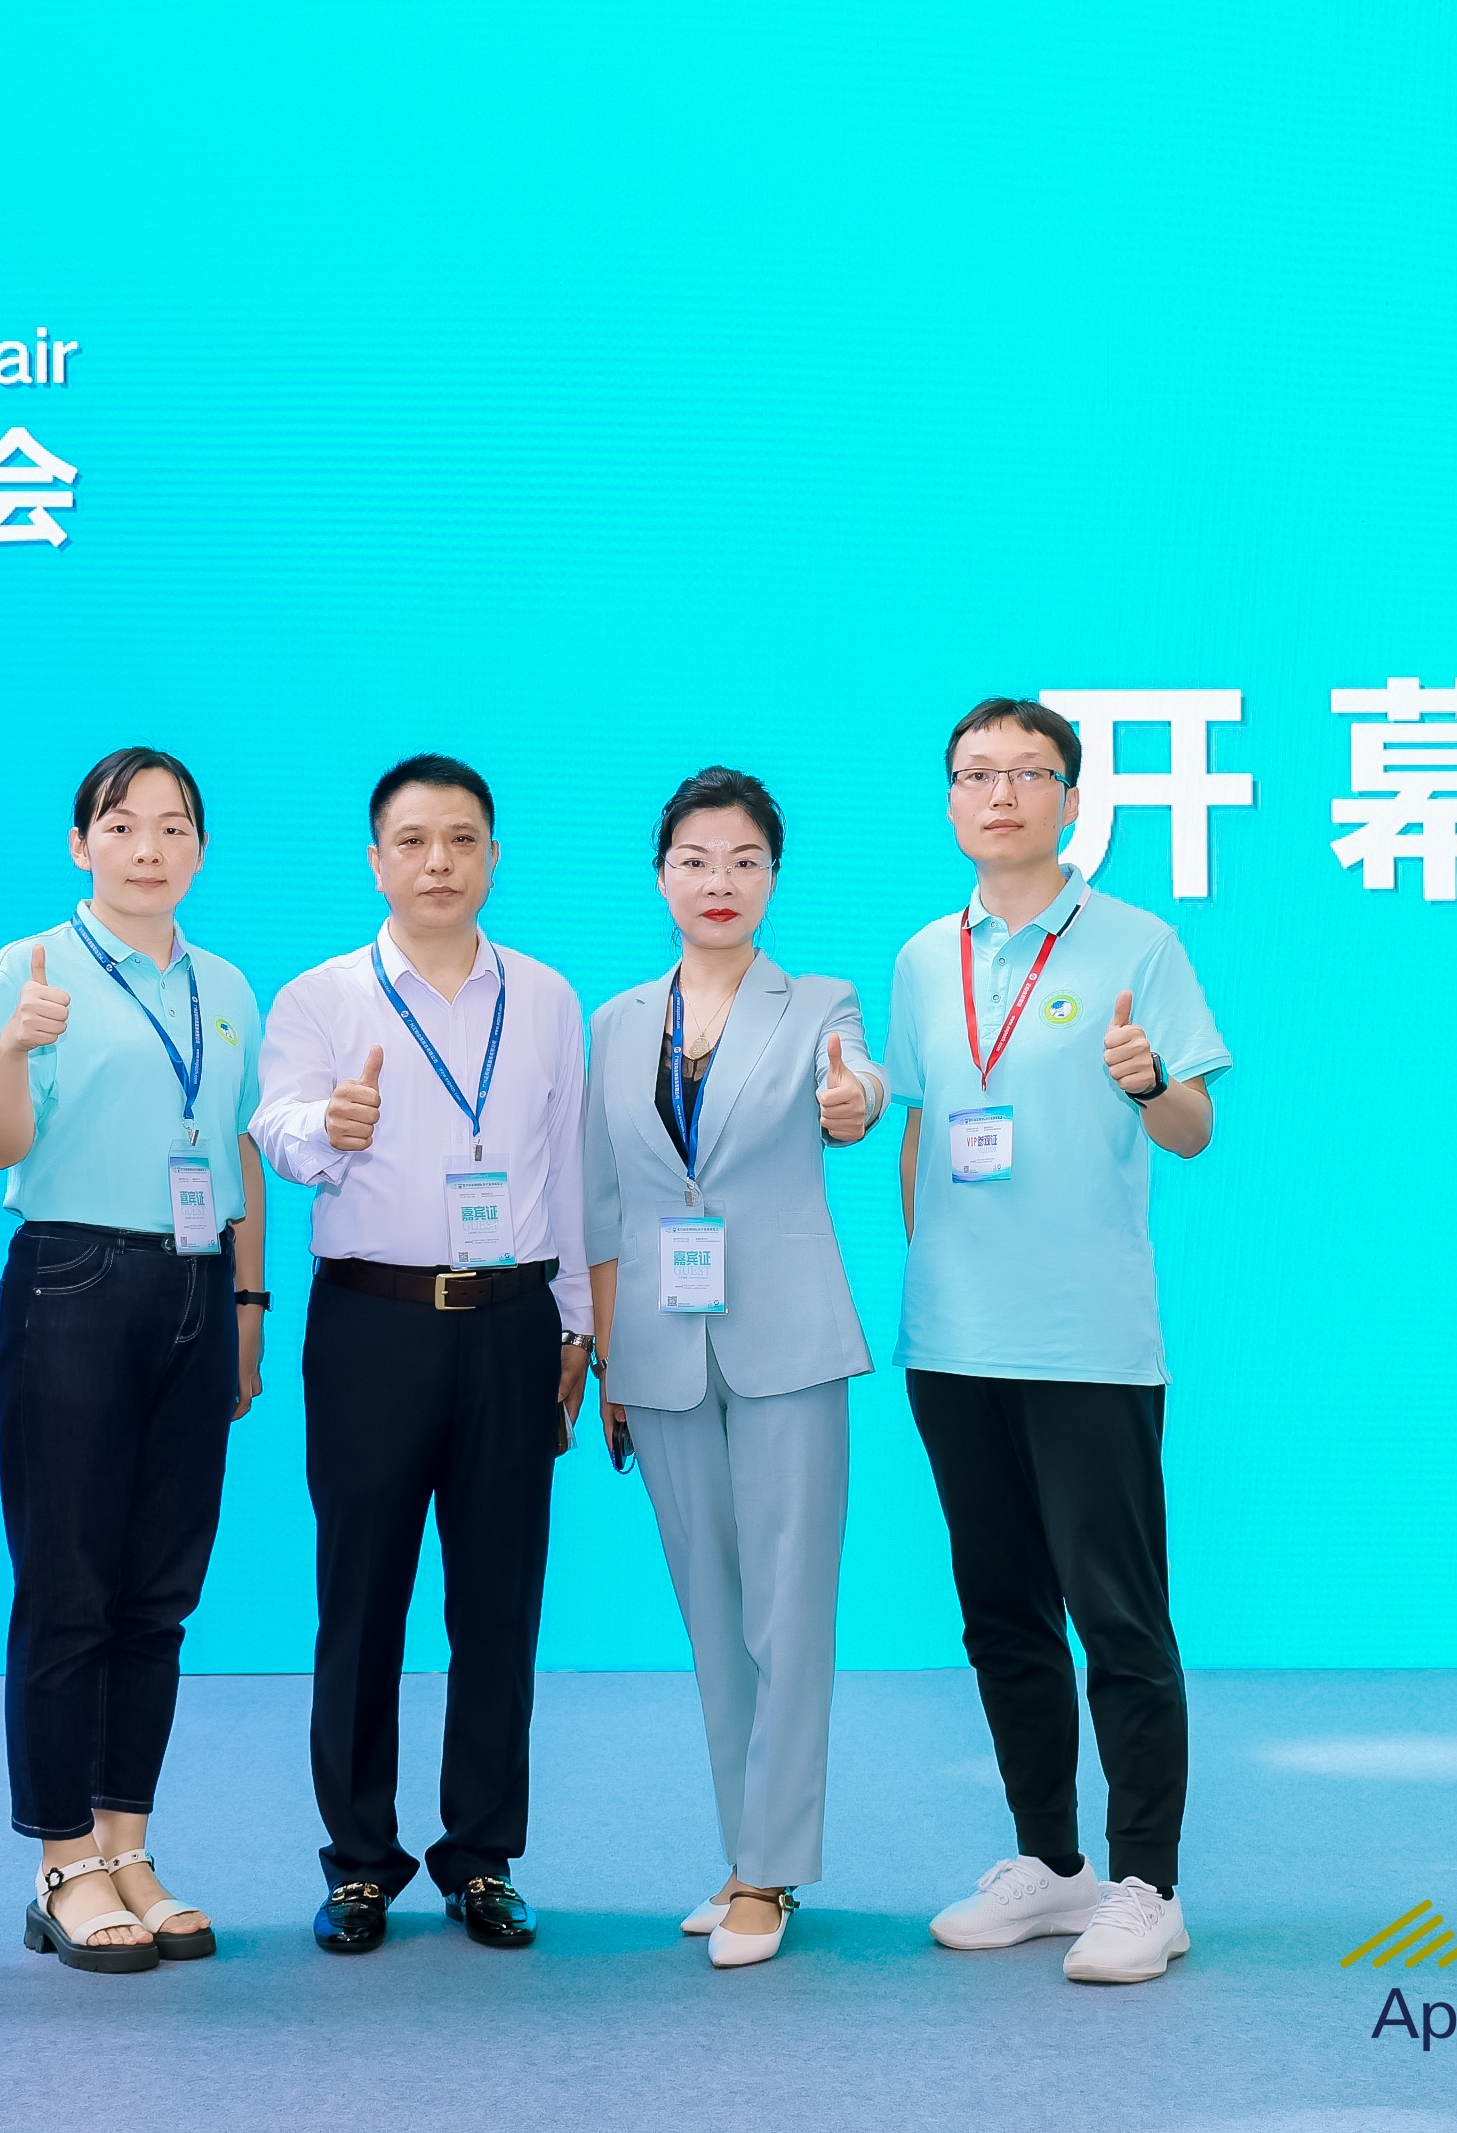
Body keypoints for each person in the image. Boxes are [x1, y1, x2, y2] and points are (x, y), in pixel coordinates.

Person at [887, 699, 1229, 1987]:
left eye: (1027, 773)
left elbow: (1191, 1131)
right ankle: (1050, 1863)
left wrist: (1147, 1080)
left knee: (1117, 1618)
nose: (999, 794)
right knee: (1000, 1616)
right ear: (948, 800)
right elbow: (922, 1127)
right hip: (953, 1341)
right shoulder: (923, 957)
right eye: (974, 773)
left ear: (1070, 801)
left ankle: (1147, 1885)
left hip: (1086, 1340)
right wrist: (929, 1279)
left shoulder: (1139, 943)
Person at [251, 753, 595, 1956]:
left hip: (511, 1325)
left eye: (459, 839)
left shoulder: (544, 997)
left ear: (492, 855)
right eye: (411, 841)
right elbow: (277, 1126)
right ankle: (358, 1864)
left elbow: (564, 1170)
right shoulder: (319, 998)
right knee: (361, 1601)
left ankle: (481, 1858)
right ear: (375, 861)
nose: (436, 862)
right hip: (372, 1325)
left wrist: (575, 1323)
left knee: (498, 1602)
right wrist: (327, 1126)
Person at [0, 747, 269, 1975]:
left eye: (173, 826)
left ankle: (127, 1845)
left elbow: (235, 1148)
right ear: (79, 843)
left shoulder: (224, 985)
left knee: (158, 1591)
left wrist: (245, 1305)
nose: (149, 847)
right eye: (122, 824)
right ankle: (61, 1863)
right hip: (73, 1277)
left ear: (200, 848)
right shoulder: (29, 967)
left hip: (197, 1283)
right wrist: (16, 1049)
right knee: (67, 1583)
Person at [582, 766, 885, 1970]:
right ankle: (741, 1851)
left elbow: (853, 1089)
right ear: (660, 876)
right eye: (696, 860)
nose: (719, 881)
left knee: (786, 1612)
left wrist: (851, 1101)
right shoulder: (614, 1022)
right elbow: (600, 1204)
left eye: (744, 861)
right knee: (711, 1617)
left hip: (787, 1343)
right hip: (657, 1353)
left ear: (772, 876)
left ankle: (771, 1870)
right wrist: (607, 1358)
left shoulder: (817, 1003)